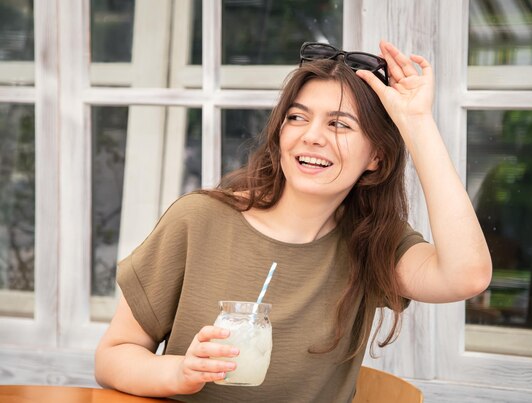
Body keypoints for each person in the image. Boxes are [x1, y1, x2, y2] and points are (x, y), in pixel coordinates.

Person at [94, 40, 492, 402]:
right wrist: (178, 371)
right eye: (298, 118)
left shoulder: (374, 244)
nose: (312, 136)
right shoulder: (198, 221)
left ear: (376, 158)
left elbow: (467, 275)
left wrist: (418, 123)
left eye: (338, 124)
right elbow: (112, 357)